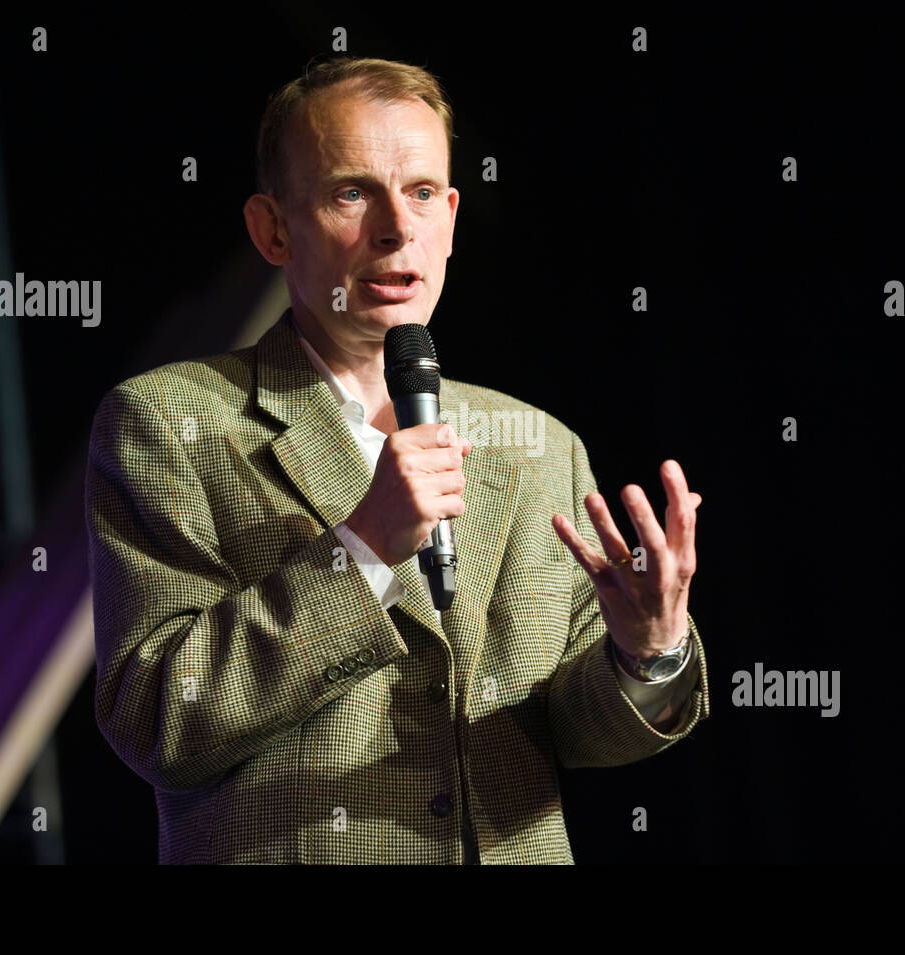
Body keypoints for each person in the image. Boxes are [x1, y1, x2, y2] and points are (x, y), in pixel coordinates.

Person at [85, 56, 709, 865]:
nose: (395, 227)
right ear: (273, 228)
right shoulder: (169, 421)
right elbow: (158, 718)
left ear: (449, 215)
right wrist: (363, 546)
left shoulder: (541, 445)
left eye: (420, 193)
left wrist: (646, 649)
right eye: (352, 192)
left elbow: (575, 731)